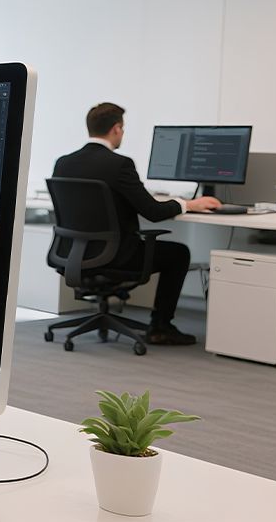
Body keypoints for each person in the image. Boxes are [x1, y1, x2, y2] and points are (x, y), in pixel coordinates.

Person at [51, 102, 221, 345]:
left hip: (72, 254)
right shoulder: (120, 165)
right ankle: (161, 326)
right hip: (115, 257)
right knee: (179, 253)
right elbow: (152, 211)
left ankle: (161, 325)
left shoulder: (64, 162)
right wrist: (189, 204)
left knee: (169, 251)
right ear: (117, 129)